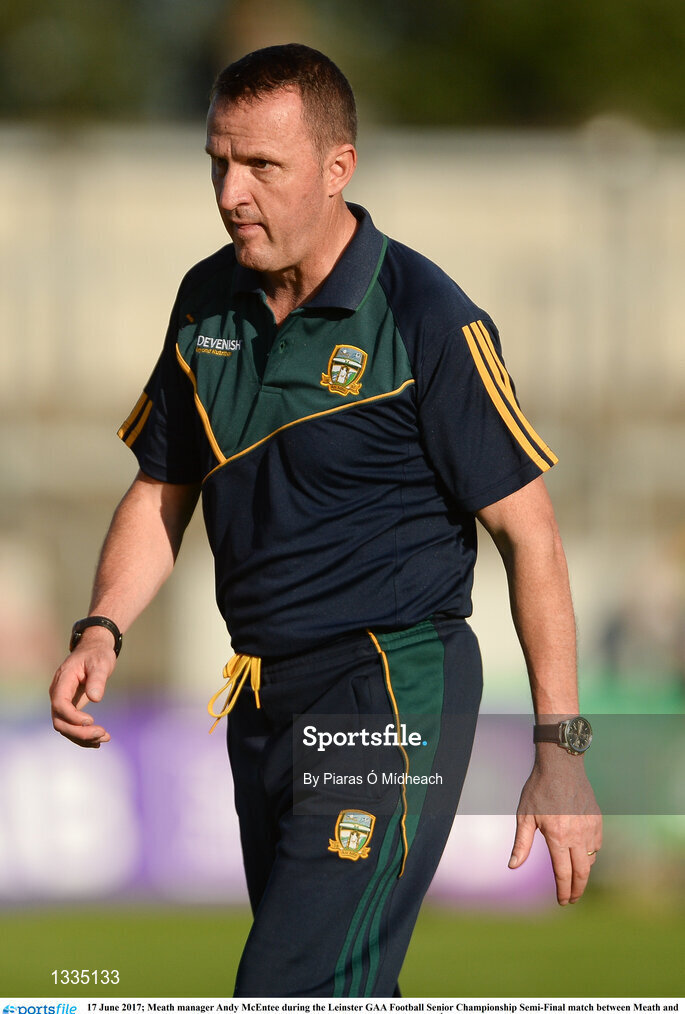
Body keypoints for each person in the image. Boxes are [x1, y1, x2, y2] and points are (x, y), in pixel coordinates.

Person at [50, 44, 601, 998]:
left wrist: (562, 755)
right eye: (218, 161)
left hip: (388, 691)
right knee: (343, 985)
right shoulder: (202, 302)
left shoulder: (426, 317)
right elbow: (161, 490)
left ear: (337, 167)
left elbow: (531, 534)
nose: (232, 191)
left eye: (262, 165)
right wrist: (102, 626)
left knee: (288, 985)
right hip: (262, 696)